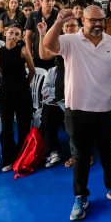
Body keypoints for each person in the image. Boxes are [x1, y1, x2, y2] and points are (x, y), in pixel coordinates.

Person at [41, 6, 111, 221]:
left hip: (106, 108)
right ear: (83, 20)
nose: (97, 24)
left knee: (108, 151)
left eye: (101, 20)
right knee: (80, 155)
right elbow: (47, 46)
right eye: (92, 20)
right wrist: (58, 22)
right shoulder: (70, 41)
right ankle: (81, 196)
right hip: (77, 109)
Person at [0, 24, 35, 172]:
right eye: (11, 32)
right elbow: (2, 71)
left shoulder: (23, 50)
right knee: (7, 125)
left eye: (17, 34)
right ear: (5, 33)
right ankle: (7, 158)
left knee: (24, 124)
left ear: (20, 37)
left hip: (22, 90)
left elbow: (32, 70)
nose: (13, 35)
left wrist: (25, 85)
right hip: (6, 91)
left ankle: (22, 157)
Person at [39, 16, 79, 168]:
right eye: (67, 26)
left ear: (78, 27)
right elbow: (44, 55)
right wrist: (43, 34)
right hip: (61, 94)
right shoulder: (60, 42)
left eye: (73, 26)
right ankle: (52, 151)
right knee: (48, 115)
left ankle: (81, 155)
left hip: (78, 93)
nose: (69, 28)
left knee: (77, 125)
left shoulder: (83, 42)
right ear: (62, 29)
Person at [25, 0, 58, 70]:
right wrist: (29, 54)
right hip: (37, 53)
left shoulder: (58, 14)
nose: (50, 3)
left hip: (54, 54)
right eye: (48, 0)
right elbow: (28, 37)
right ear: (41, 1)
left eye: (53, 0)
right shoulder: (33, 15)